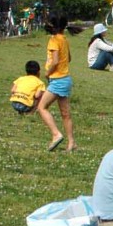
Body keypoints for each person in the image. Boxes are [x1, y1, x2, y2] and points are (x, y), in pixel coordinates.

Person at [37, 16, 77, 152]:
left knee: (42, 107)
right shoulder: (64, 39)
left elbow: (55, 61)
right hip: (66, 79)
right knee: (65, 113)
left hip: (57, 80)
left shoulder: (54, 40)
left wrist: (48, 73)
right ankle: (71, 142)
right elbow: (69, 58)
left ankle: (56, 134)